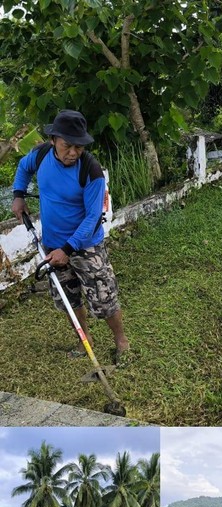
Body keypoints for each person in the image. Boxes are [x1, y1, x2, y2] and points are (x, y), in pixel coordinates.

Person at [11, 109, 130, 363]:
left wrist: (67, 249)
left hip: (86, 246)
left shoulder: (91, 170)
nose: (73, 152)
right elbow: (23, 167)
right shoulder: (41, 154)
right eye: (68, 146)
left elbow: (92, 218)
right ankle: (84, 339)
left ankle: (121, 341)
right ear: (53, 140)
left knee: (103, 296)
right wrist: (18, 195)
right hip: (52, 244)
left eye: (79, 147)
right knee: (68, 297)